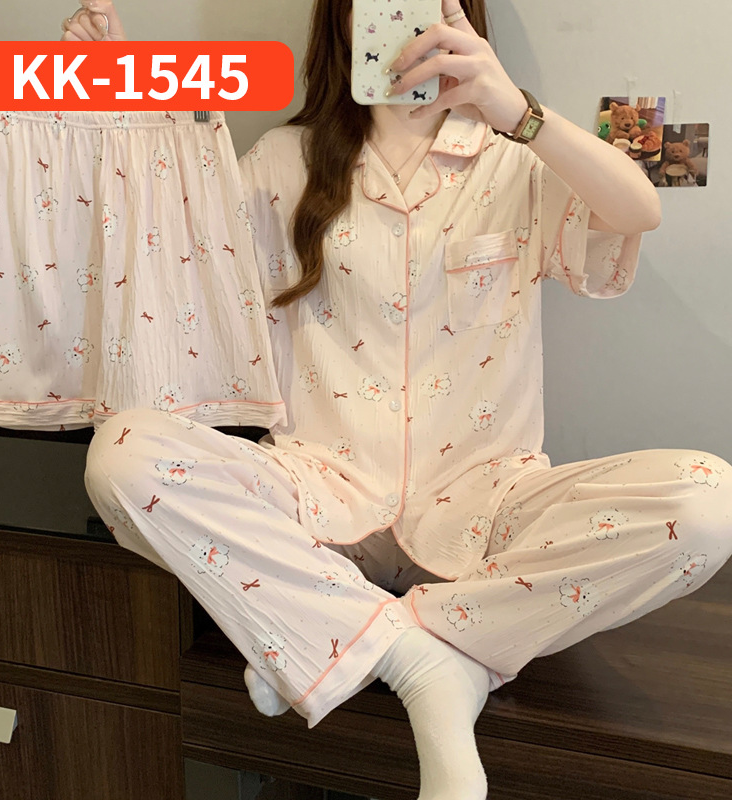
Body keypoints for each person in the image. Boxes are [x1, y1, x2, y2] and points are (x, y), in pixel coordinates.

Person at [66, 2, 732, 799]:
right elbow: (171, 265)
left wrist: (515, 110)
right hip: (317, 501)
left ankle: (332, 634)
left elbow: (637, 210)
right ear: (343, 18)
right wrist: (123, 98)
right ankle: (419, 659)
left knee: (709, 506)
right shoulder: (283, 162)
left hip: (486, 507)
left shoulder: (511, 159)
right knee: (121, 458)